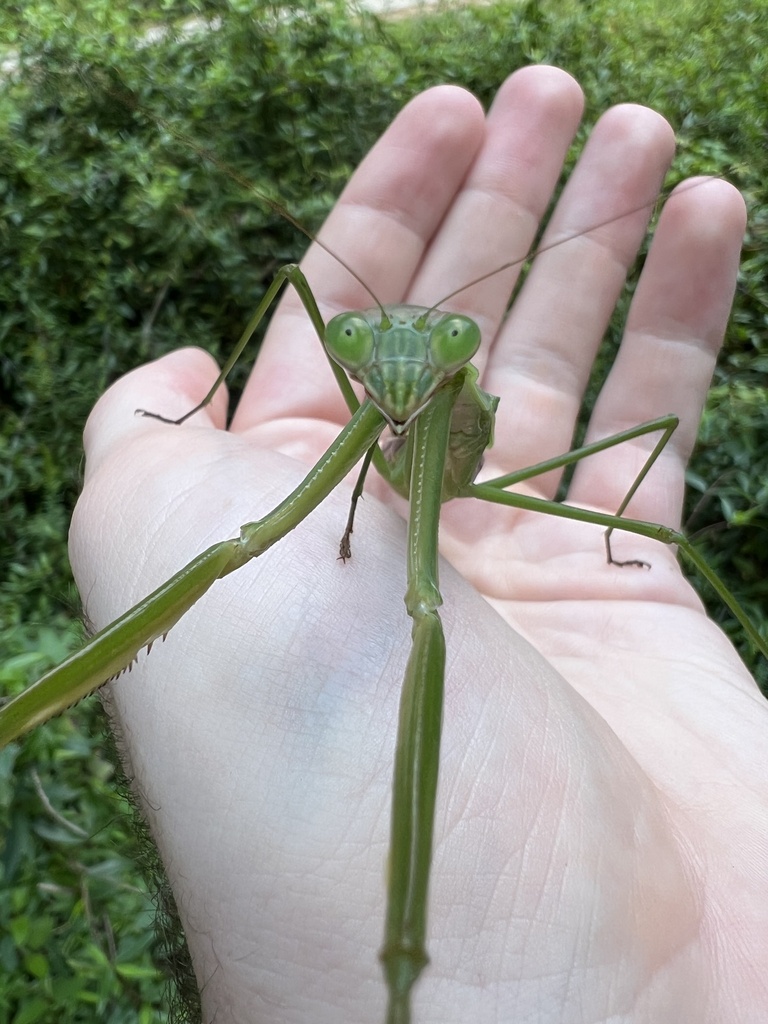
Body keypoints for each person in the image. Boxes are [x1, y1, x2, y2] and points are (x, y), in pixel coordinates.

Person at [70, 66, 768, 1023]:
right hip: (398, 479)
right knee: (261, 547)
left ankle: (406, 964)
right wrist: (240, 431)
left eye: (437, 352)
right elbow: (354, 406)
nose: (391, 379)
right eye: (357, 347)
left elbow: (420, 471)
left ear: (460, 359)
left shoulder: (455, 411)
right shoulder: (379, 390)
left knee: (633, 518)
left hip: (469, 480)